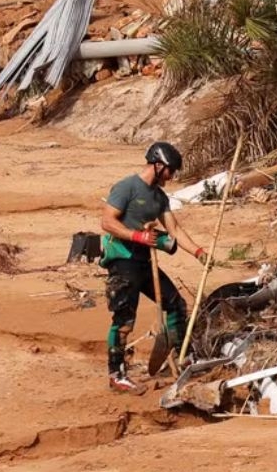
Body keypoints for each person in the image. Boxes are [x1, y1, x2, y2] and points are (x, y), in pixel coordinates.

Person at [100, 142, 207, 393]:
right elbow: (107, 221)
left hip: (144, 261)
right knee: (124, 319)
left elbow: (175, 230)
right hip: (123, 259)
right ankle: (117, 374)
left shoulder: (160, 198)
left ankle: (182, 356)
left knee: (175, 304)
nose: (172, 176)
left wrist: (199, 252)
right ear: (158, 166)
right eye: (171, 171)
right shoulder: (126, 187)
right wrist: (136, 236)